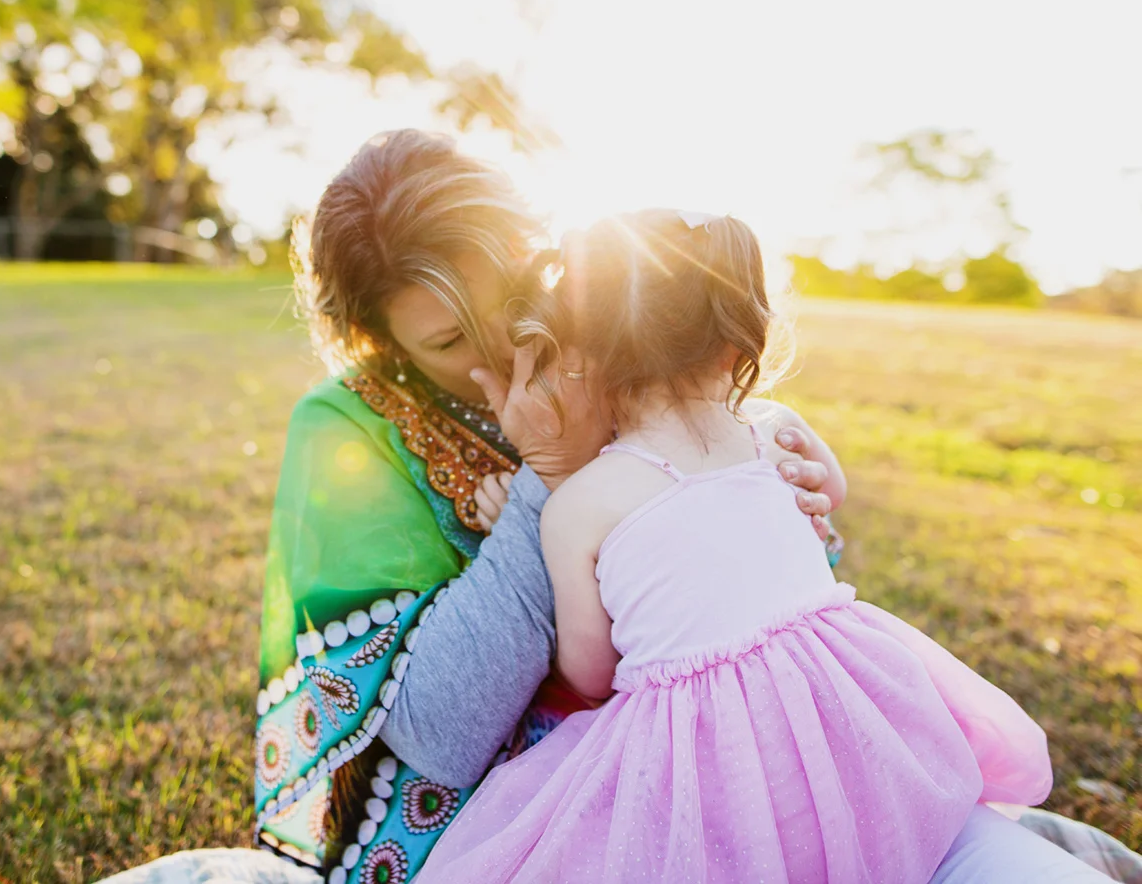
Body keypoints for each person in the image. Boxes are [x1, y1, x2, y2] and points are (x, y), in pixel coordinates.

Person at [102, 131, 1139, 884]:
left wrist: (782, 472)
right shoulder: (350, 429)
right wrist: (552, 477)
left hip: (730, 753)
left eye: (514, 300)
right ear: (381, 343)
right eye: (449, 342)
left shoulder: (610, 330)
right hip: (526, 810)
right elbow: (441, 732)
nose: (504, 351)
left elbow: (758, 583)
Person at [417, 208, 1052, 883]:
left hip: (707, 764)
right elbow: (827, 492)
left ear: (580, 357)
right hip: (849, 719)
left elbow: (592, 674)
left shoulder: (577, 504)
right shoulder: (777, 428)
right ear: (736, 343)